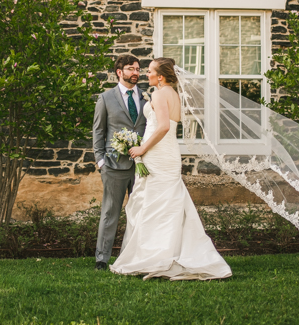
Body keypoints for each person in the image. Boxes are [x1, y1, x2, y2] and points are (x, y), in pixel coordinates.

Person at [111, 57, 232, 280]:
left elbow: (164, 126)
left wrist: (142, 148)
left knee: (155, 205)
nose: (147, 74)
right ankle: (168, 253)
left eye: (150, 71)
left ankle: (156, 256)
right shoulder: (174, 95)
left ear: (161, 76)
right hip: (166, 154)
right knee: (165, 204)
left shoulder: (158, 94)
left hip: (157, 153)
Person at [92, 54, 147, 271]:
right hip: (114, 166)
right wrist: (100, 161)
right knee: (110, 212)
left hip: (142, 165)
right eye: (131, 69)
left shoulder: (145, 97)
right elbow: (98, 130)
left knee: (142, 211)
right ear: (119, 72)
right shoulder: (106, 98)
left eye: (138, 69)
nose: (136, 73)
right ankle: (102, 258)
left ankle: (138, 255)